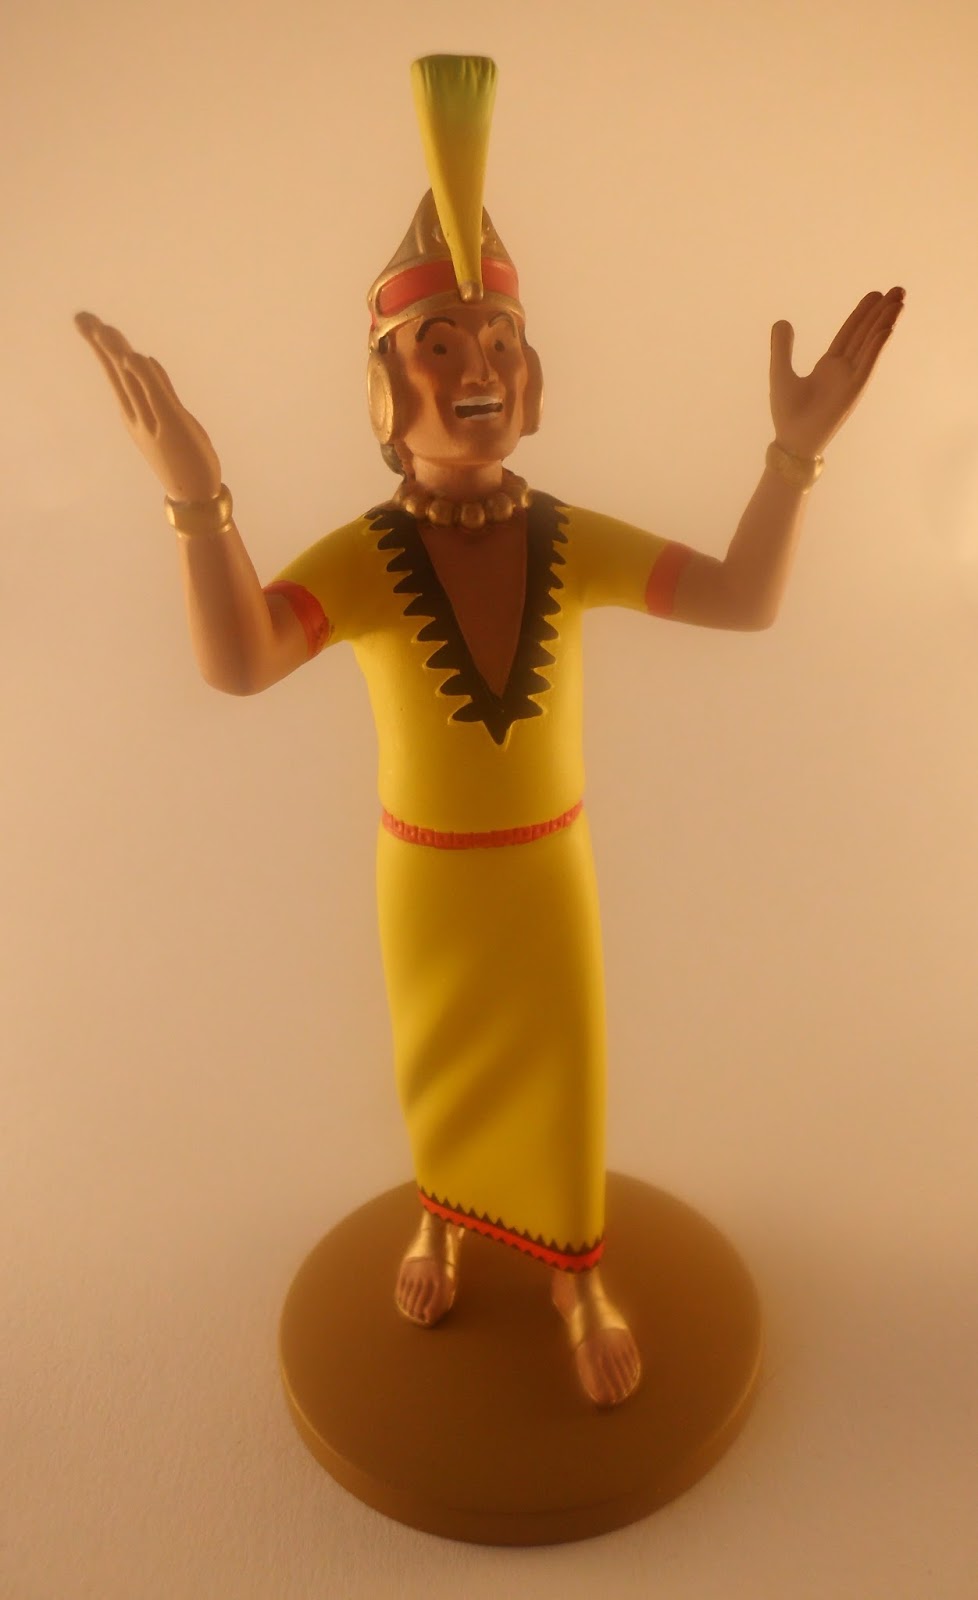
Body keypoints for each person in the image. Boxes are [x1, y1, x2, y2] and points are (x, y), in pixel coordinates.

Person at [75, 56, 904, 1408]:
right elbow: (239, 664)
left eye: (500, 343)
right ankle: (444, 1220)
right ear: (385, 382)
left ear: (533, 376)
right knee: (438, 1060)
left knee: (565, 1068)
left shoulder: (569, 539)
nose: (478, 369)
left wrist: (793, 455)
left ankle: (575, 1273)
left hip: (545, 868)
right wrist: (199, 501)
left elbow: (742, 599)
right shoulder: (364, 556)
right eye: (442, 344)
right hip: (426, 875)